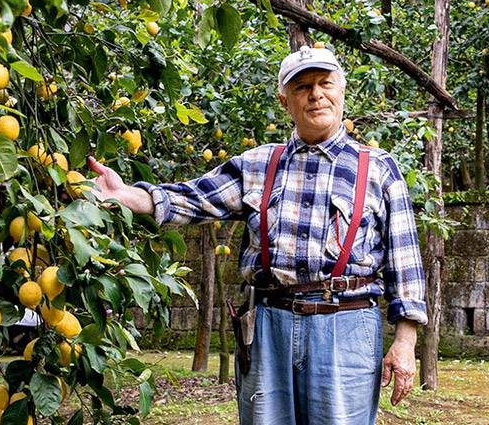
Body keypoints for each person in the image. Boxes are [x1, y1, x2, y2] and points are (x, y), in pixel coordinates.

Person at [88, 45, 428, 425]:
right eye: (302, 87)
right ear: (285, 102)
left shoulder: (378, 168)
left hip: (346, 327)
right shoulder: (257, 164)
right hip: (267, 326)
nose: (316, 94)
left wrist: (405, 341)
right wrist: (126, 196)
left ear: (342, 92)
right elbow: (193, 197)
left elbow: (405, 262)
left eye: (325, 83)